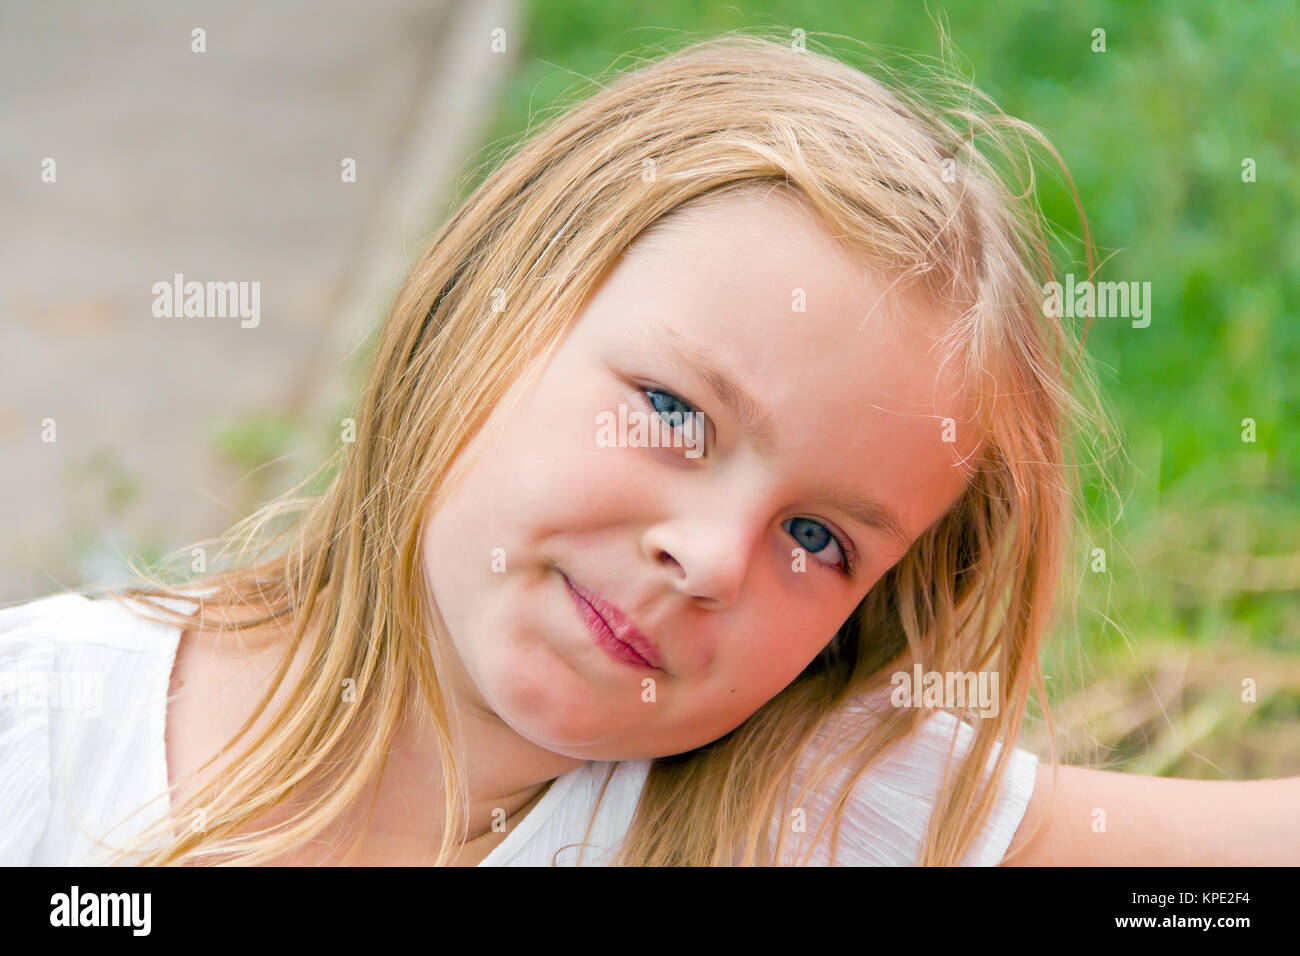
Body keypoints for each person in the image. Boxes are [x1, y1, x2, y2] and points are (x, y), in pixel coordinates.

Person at [2, 33, 1294, 867]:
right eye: (676, 415)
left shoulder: (806, 813)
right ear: (489, 309)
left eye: (818, 540)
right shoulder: (49, 733)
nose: (713, 558)